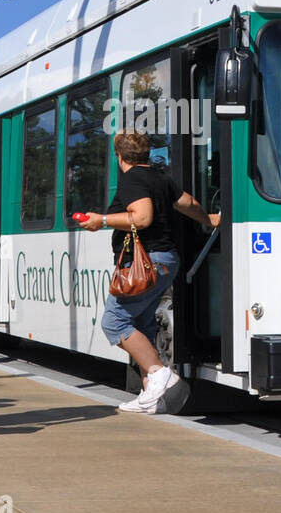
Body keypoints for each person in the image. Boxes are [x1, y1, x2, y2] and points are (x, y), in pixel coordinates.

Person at [81, 131, 218, 414]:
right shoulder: (160, 177)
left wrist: (101, 220)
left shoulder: (131, 179)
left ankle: (158, 373)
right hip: (166, 260)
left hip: (146, 263)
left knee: (115, 322)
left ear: (119, 156)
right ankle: (150, 397)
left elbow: (142, 218)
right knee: (141, 325)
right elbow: (188, 203)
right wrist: (209, 218)